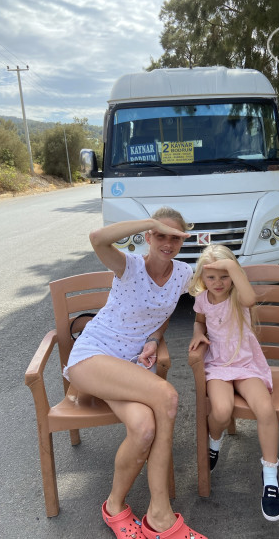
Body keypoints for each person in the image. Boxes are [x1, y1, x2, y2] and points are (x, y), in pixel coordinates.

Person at [64, 207, 207, 539]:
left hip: (129, 366)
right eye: (160, 235)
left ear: (182, 241)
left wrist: (155, 338)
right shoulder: (128, 266)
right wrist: (149, 221)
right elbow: (97, 238)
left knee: (144, 428)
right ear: (148, 236)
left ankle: (114, 506)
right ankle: (160, 514)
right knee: (167, 396)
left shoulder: (183, 274)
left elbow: (169, 310)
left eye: (175, 237)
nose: (167, 243)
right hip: (93, 356)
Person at [188, 245, 279, 522]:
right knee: (220, 411)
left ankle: (270, 477)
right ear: (202, 278)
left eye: (224, 276)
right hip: (218, 364)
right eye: (211, 277)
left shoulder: (239, 296)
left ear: (233, 274)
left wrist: (231, 266)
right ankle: (214, 442)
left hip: (245, 363)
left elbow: (251, 299)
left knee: (265, 410)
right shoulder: (203, 300)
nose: (218, 283)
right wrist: (197, 333)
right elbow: (199, 322)